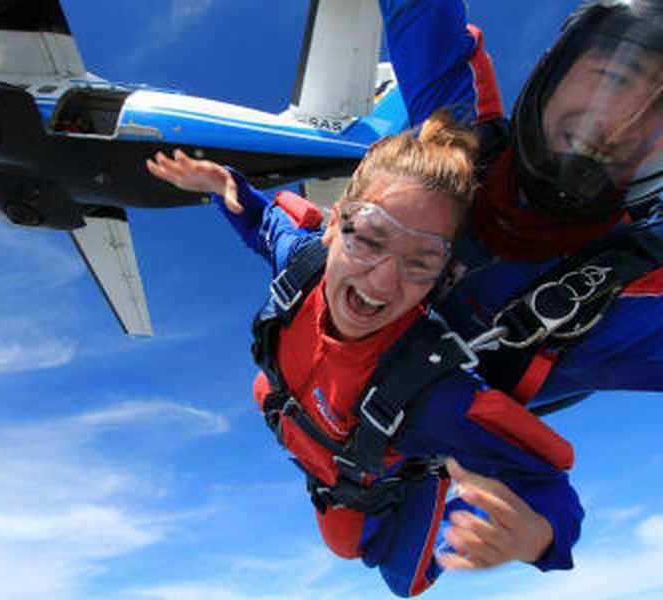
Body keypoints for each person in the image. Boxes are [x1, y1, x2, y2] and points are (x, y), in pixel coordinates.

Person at [147, 110, 584, 597]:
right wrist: (222, 184)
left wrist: (537, 536)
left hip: (362, 466)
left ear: (443, 275)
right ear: (334, 224)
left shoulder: (434, 394)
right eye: (370, 239)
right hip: (323, 459)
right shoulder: (304, 261)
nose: (381, 281)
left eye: (421, 264)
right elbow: (263, 223)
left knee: (404, 580)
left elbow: (549, 483)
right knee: (343, 544)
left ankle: (431, 470)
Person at [378, 0, 663, 415]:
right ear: (555, 70)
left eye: (659, 115)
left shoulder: (629, 301)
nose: (618, 126)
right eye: (614, 77)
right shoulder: (459, 136)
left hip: (406, 460)